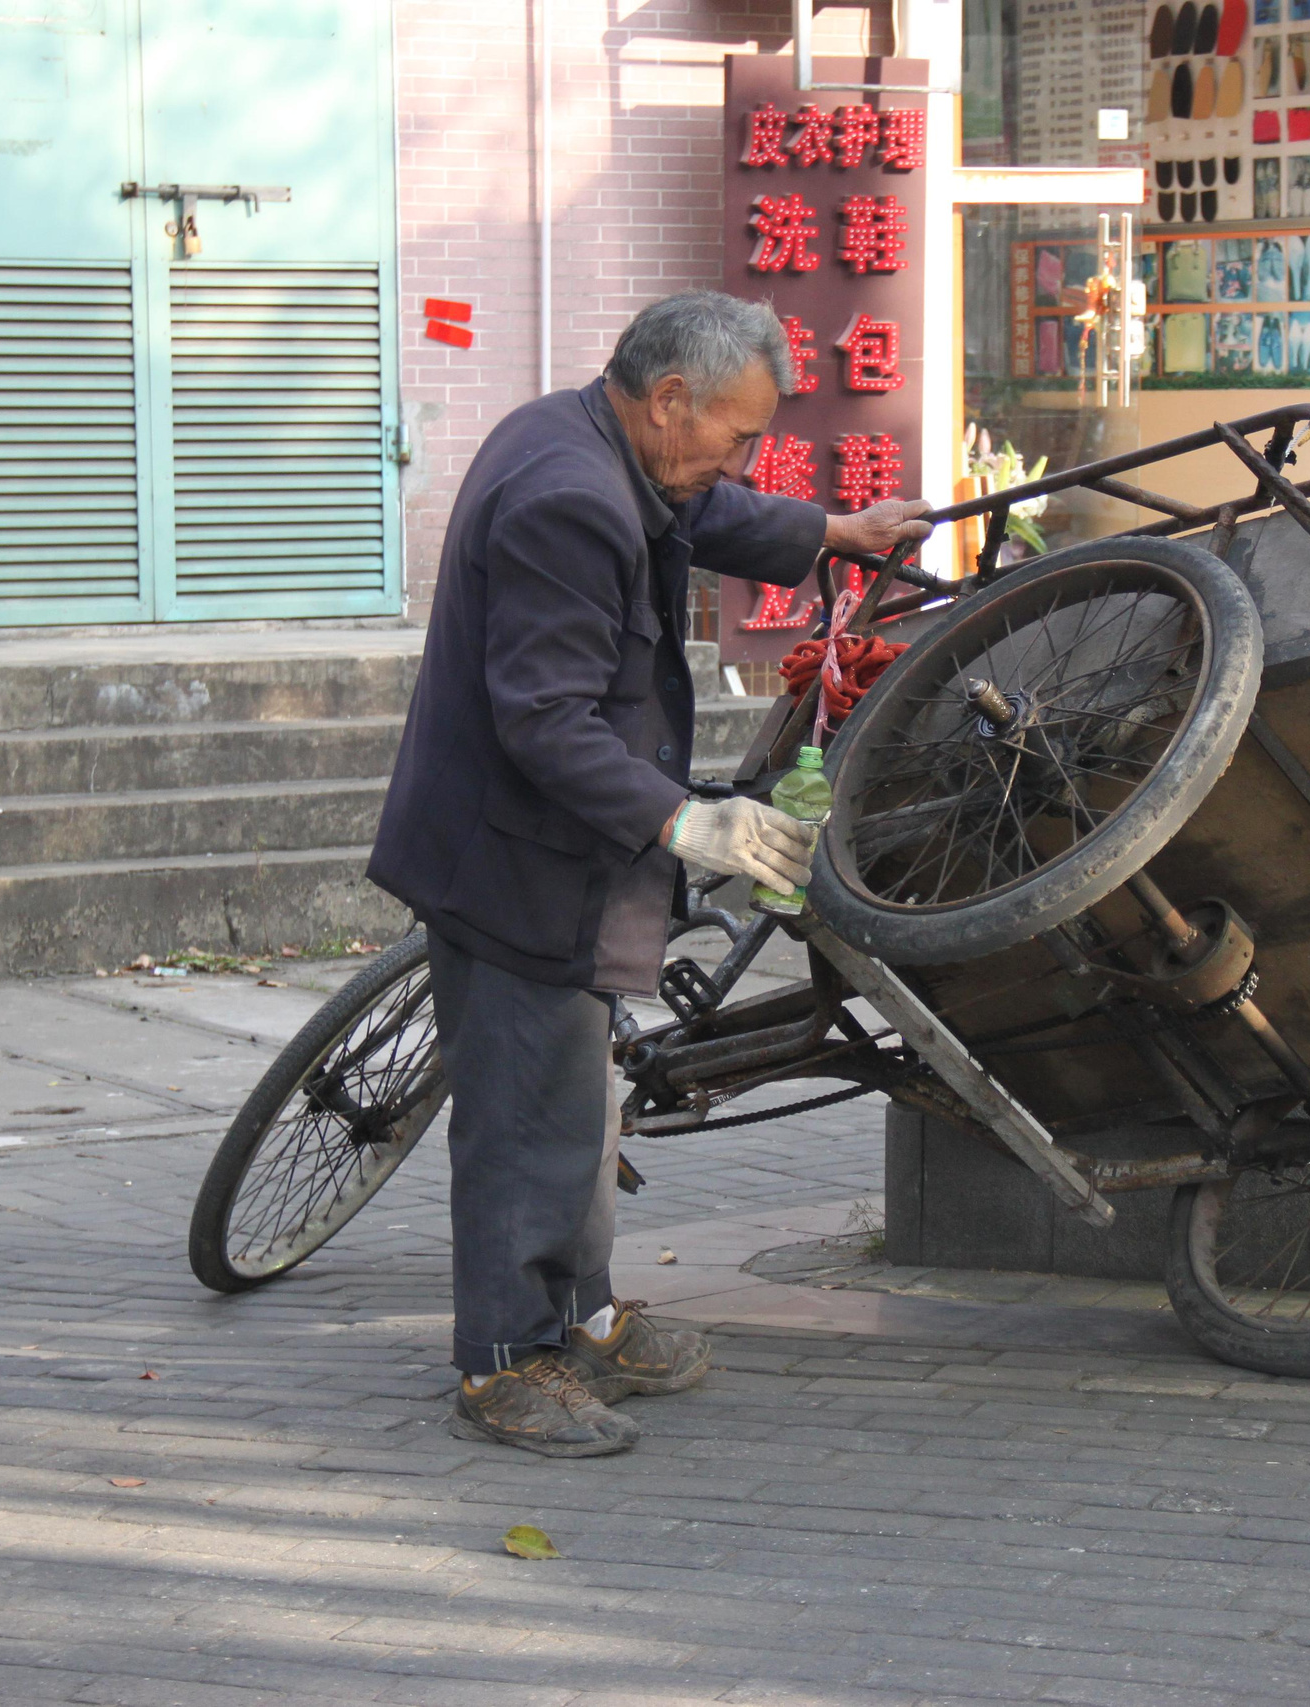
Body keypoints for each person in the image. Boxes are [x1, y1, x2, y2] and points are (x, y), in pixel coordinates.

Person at [367, 293, 931, 1457]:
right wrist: (689, 825)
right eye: (735, 432)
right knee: (527, 1116)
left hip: (555, 852)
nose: (740, 457)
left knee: (578, 1104)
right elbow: (548, 725)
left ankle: (579, 1313)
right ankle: (503, 1365)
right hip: (513, 858)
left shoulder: (589, 435)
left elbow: (702, 512)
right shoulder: (569, 501)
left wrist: (832, 532)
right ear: (669, 398)